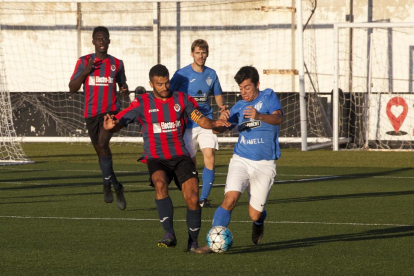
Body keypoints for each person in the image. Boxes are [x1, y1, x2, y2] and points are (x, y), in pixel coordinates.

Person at [103, 64, 230, 252]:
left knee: (193, 197)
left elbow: (200, 119)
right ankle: (169, 233)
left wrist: (214, 124)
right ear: (151, 84)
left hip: (180, 157)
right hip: (156, 158)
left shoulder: (182, 99)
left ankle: (192, 241)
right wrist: (111, 126)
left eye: (167, 82)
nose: (164, 87)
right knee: (160, 184)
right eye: (159, 84)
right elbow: (119, 121)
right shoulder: (142, 103)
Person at [195, 66, 284, 254]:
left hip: (264, 164)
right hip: (241, 159)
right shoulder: (239, 107)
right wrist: (219, 121)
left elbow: (278, 119)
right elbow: (218, 130)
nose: (243, 92)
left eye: (247, 87)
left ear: (257, 84)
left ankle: (259, 222)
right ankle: (212, 242)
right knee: (229, 199)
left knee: (254, 214)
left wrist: (259, 116)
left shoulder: (268, 96)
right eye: (241, 88)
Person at [69, 26, 128, 210]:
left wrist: (124, 88)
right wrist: (86, 71)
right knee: (101, 152)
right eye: (98, 39)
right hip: (91, 114)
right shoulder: (84, 61)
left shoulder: (117, 63)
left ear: (109, 41)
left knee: (103, 145)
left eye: (105, 39)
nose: (102, 42)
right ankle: (116, 185)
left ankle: (106, 185)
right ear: (93, 41)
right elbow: (72, 87)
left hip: (110, 111)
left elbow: (122, 82)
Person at [170, 39, 227, 208]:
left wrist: (222, 106)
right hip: (187, 124)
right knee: (190, 162)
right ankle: (193, 195)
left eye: (203, 53)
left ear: (207, 53)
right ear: (192, 54)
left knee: (209, 157)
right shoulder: (181, 74)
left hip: (206, 122)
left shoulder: (212, 74)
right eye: (197, 53)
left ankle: (203, 198)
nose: (201, 56)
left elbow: (217, 94)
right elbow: (170, 93)